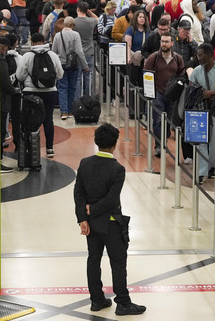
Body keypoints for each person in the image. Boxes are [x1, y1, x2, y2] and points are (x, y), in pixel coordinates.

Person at [73, 123, 146, 316]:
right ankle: (122, 302)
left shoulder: (84, 163)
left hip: (91, 225)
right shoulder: (117, 169)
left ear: (96, 142)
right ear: (115, 144)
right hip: (112, 224)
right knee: (118, 262)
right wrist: (92, 211)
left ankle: (97, 300)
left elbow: (78, 193)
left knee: (93, 260)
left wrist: (84, 217)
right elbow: (111, 199)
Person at [15, 33, 64, 158]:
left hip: (30, 92)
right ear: (44, 41)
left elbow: (19, 75)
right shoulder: (52, 55)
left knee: (29, 121)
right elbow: (60, 74)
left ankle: (29, 148)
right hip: (50, 92)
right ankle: (49, 148)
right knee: (48, 119)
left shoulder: (27, 56)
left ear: (32, 42)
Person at [190, 43, 215, 182]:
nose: (198, 58)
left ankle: (211, 166)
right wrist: (201, 94)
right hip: (201, 110)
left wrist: (210, 93)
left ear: (209, 54)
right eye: (197, 55)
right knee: (201, 141)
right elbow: (191, 90)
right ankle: (201, 172)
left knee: (214, 140)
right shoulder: (196, 71)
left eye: (201, 55)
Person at [143, 32, 185, 156]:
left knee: (168, 121)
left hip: (171, 95)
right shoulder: (153, 58)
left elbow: (182, 75)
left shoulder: (178, 58)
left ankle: (164, 138)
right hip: (157, 93)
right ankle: (159, 146)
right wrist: (149, 93)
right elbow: (146, 75)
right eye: (162, 41)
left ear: (172, 43)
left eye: (167, 41)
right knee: (158, 120)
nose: (164, 44)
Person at [52, 16, 88, 119]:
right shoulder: (75, 35)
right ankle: (71, 110)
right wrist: (85, 66)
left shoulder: (58, 35)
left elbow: (54, 51)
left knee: (62, 87)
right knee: (72, 87)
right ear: (72, 25)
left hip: (61, 64)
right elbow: (79, 52)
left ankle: (63, 112)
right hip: (73, 64)